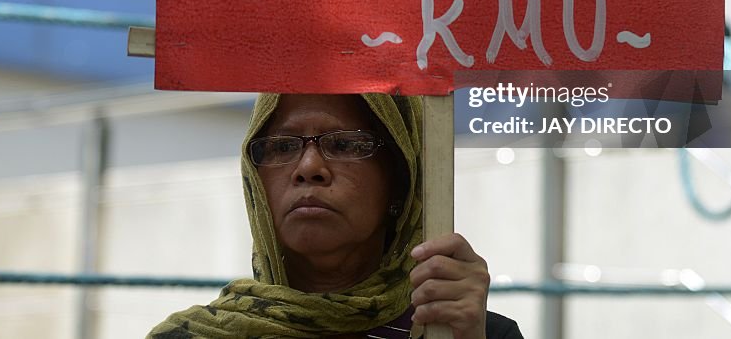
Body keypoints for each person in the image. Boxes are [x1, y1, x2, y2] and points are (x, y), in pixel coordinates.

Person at [147, 93, 523, 338]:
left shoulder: (464, 330)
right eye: (281, 146)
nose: (309, 167)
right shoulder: (195, 335)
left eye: (345, 144)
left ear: (400, 182)